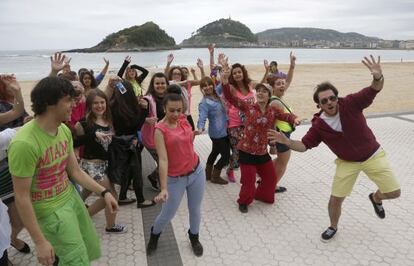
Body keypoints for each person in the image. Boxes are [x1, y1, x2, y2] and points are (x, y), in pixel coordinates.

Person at [267, 55, 401, 242]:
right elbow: (305, 145)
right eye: (324, 101)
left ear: (337, 98)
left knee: (394, 193)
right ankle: (333, 226)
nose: (329, 102)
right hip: (347, 163)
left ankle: (376, 198)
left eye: (332, 98)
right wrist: (287, 141)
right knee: (335, 200)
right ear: (319, 104)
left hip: (373, 155)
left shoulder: (352, 103)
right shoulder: (319, 125)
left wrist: (378, 77)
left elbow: (374, 89)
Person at [8, 53, 118, 266]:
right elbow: (21, 197)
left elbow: (75, 172)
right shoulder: (24, 143)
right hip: (50, 213)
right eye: (69, 100)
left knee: (86, 249)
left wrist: (104, 192)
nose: (74, 105)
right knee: (74, 260)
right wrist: (39, 241)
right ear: (50, 104)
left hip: (70, 199)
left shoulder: (63, 131)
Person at [220, 56, 300, 213]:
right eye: (259, 91)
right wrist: (224, 82)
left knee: (270, 179)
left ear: (269, 96)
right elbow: (231, 98)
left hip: (262, 152)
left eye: (265, 91)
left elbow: (285, 116)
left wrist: (295, 118)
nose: (261, 93)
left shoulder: (273, 110)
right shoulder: (249, 107)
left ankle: (262, 196)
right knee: (248, 183)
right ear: (256, 95)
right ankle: (243, 201)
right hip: (247, 151)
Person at [146, 88, 205, 257]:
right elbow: (163, 160)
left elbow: (187, 142)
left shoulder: (184, 120)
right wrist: (163, 188)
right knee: (167, 214)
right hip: (175, 179)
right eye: (172, 110)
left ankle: (194, 237)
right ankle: (154, 235)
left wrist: (192, 133)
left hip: (196, 172)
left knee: (195, 209)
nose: (176, 114)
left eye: (179, 110)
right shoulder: (159, 130)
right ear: (164, 108)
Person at [74, 89, 127, 233]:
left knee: (89, 190)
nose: (99, 106)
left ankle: (75, 211)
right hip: (91, 165)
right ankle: (102, 224)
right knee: (108, 196)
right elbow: (74, 142)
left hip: (105, 164)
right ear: (90, 105)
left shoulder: (108, 120)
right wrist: (93, 135)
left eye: (102, 102)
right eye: (95, 103)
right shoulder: (83, 123)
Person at [105, 77, 155, 208]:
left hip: (118, 142)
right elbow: (137, 126)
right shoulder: (133, 108)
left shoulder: (111, 106)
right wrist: (145, 110)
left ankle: (122, 197)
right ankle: (141, 200)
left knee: (128, 170)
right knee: (136, 171)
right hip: (131, 143)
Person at [266, 52, 296, 193]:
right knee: (283, 163)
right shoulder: (275, 102)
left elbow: (288, 80)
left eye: (283, 83)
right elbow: (271, 123)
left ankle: (264, 177)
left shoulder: (278, 96)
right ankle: (271, 187)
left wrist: (292, 66)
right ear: (273, 87)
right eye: (279, 84)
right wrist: (272, 144)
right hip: (281, 136)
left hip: (283, 135)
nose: (283, 85)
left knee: (279, 161)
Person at [196, 76, 230, 184]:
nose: (207, 87)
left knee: (214, 152)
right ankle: (215, 176)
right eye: (204, 86)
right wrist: (200, 128)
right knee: (226, 156)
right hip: (217, 133)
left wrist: (225, 70)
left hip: (224, 130)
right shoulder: (204, 103)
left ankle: (207, 174)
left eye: (209, 84)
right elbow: (202, 116)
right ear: (202, 88)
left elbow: (224, 84)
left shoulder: (216, 93)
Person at [141, 73, 169, 191]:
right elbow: (135, 117)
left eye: (163, 83)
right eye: (157, 83)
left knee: (167, 160)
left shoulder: (168, 97)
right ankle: (154, 178)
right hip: (151, 138)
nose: (160, 85)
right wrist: (146, 120)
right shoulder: (147, 100)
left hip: (165, 136)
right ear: (153, 85)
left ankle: (157, 178)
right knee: (165, 161)